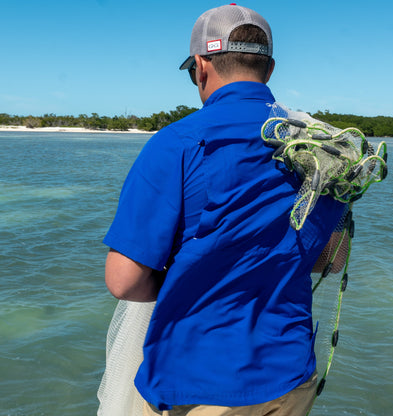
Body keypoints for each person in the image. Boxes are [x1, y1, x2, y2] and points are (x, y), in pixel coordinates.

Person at [103, 4, 344, 416]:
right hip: (289, 380)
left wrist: (197, 277)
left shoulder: (177, 142)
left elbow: (124, 281)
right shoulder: (319, 149)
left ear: (200, 67)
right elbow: (333, 258)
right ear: (268, 70)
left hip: (196, 388)